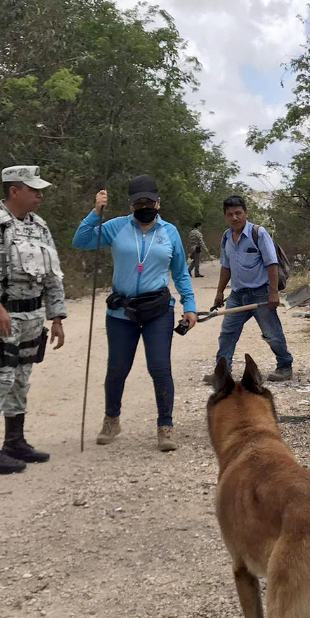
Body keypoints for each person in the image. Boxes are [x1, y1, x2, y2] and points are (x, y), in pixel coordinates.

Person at [72, 175, 197, 452]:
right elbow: (80, 241)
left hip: (158, 310)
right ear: (130, 205)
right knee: (117, 369)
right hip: (122, 312)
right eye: (138, 202)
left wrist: (189, 306)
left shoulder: (170, 232)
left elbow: (180, 273)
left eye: (149, 201)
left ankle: (165, 426)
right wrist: (96, 212)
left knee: (159, 367)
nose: (144, 206)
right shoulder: (116, 227)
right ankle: (111, 419)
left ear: (158, 202)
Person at [0, 165, 67, 475]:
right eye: (33, 190)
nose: (39, 195)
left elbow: (52, 272)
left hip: (32, 315)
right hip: (3, 313)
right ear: (13, 190)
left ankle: (15, 441)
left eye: (40, 190)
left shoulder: (39, 226)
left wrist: (56, 315)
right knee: (0, 379)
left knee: (21, 379)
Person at [203, 196, 293, 384]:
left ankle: (285, 366)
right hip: (237, 295)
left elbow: (272, 264)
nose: (234, 218)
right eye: (230, 214)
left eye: (238, 213)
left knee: (271, 333)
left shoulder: (258, 234)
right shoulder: (226, 236)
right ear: (225, 217)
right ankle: (223, 371)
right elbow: (226, 267)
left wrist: (273, 292)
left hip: (260, 294)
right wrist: (220, 292)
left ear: (246, 213)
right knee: (227, 333)